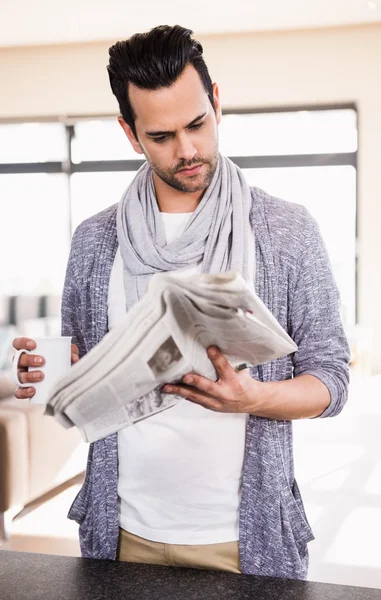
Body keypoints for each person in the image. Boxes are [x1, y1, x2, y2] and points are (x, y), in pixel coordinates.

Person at [13, 25, 350, 579]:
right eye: (162, 136)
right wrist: (51, 376)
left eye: (197, 124)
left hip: (246, 540)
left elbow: (331, 381)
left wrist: (254, 396)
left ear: (216, 103)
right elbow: (79, 371)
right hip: (120, 532)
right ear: (130, 133)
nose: (187, 150)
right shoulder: (96, 242)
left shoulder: (286, 232)